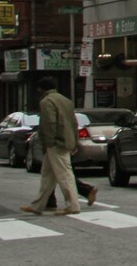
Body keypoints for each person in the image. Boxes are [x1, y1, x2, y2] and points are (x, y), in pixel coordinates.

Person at [23, 74, 92, 215]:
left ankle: (73, 205)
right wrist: (75, 141)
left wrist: (49, 142)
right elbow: (74, 123)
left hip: (56, 143)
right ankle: (38, 206)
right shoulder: (66, 100)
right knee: (47, 175)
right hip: (65, 141)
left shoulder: (47, 101)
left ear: (42, 89)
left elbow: (49, 123)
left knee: (64, 174)